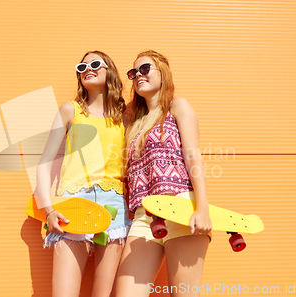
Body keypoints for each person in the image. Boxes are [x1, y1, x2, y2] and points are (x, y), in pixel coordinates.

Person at [115, 50, 212, 297]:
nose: (137, 75)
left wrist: (203, 208)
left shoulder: (177, 106)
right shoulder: (133, 121)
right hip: (144, 216)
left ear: (163, 73)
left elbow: (193, 156)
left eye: (145, 69)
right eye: (133, 72)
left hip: (180, 208)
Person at [35, 50, 131, 297]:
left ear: (109, 70)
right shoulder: (70, 111)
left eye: (95, 64)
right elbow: (44, 164)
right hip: (74, 203)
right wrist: (49, 210)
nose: (87, 69)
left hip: (114, 207)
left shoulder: (126, 117)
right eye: (81, 67)